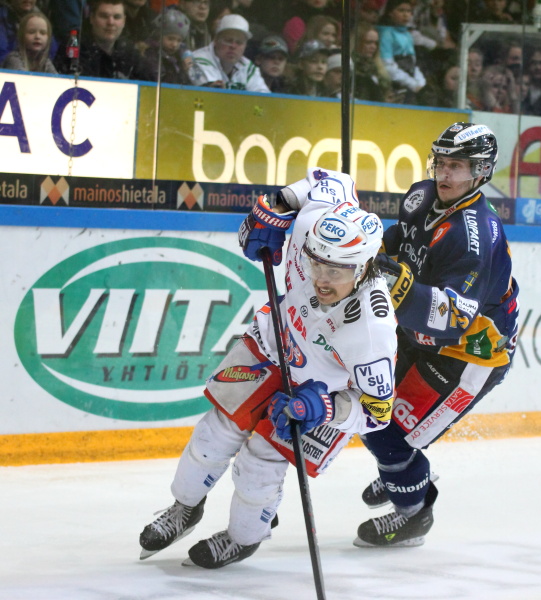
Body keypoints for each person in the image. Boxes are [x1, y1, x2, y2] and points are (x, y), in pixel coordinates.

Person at [139, 168, 397, 567]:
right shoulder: (314, 223)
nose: (322, 280)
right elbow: (332, 177)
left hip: (318, 391)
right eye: (316, 265)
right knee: (214, 432)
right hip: (274, 338)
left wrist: (325, 409)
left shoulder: (372, 328)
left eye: (337, 271)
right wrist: (276, 207)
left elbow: (378, 412)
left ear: (364, 266)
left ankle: (245, 537)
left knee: (259, 462)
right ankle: (185, 508)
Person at [356, 122, 519, 548]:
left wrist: (398, 284)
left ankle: (413, 514)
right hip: (416, 332)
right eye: (442, 163)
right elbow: (399, 243)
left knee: (386, 432)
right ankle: (408, 471)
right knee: (371, 408)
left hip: (470, 353)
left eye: (458, 167)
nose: (445, 175)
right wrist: (362, 245)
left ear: (481, 172)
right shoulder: (420, 195)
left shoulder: (475, 235)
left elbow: (456, 318)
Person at [54, 0, 150, 79]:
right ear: (92, 18)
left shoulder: (130, 52)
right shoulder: (73, 47)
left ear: (124, 21)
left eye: (117, 17)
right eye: (104, 16)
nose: (111, 22)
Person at [191, 13, 269, 91]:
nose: (233, 46)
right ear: (215, 40)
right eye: (228, 40)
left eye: (239, 42)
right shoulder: (199, 59)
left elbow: (264, 98)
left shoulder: (248, 67)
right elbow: (216, 96)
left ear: (245, 46)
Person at [376, 0, 426, 104]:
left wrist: (421, 83)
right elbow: (387, 66)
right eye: (401, 10)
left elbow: (413, 63)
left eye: (408, 11)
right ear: (390, 13)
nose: (405, 14)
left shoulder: (408, 35)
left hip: (410, 84)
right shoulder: (386, 33)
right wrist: (412, 84)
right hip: (395, 85)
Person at [141, 8, 193, 84]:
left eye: (179, 41)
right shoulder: (150, 54)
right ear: (159, 35)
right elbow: (160, 82)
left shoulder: (179, 56)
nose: (174, 44)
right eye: (170, 39)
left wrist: (185, 71)